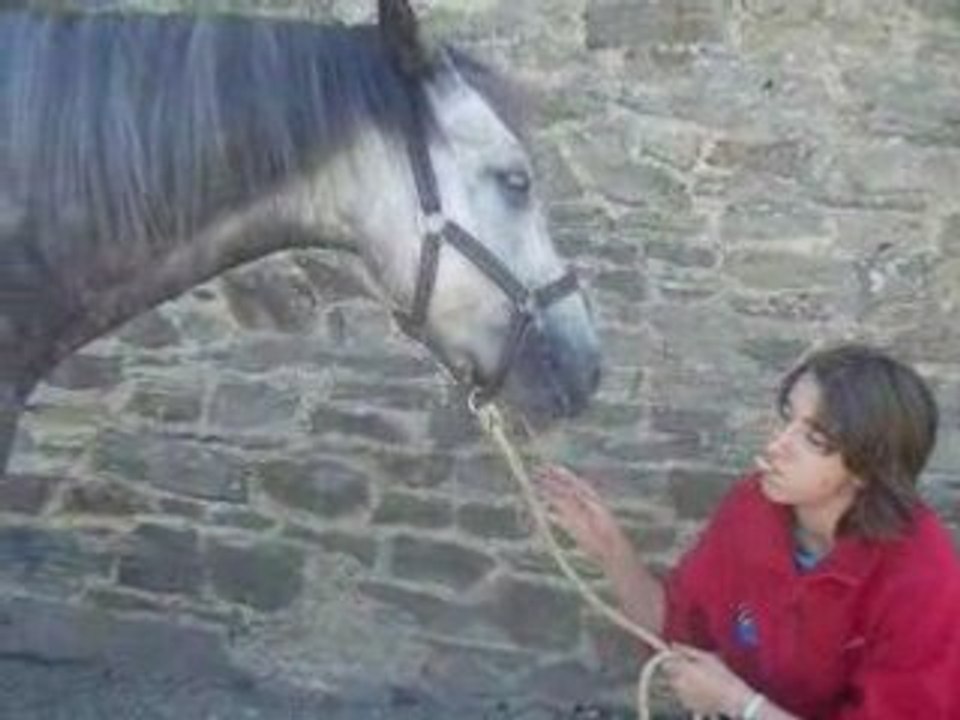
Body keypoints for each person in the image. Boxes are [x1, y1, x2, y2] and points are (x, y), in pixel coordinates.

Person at [537, 343, 960, 719]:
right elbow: (678, 635)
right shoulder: (753, 508)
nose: (777, 446)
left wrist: (740, 704)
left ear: (868, 467)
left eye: (814, 439)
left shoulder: (921, 574)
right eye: (787, 418)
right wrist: (610, 549)